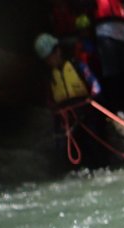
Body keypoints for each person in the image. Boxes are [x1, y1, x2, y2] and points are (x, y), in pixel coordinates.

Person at [34, 32, 110, 169]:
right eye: (46, 59)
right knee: (64, 147)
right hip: (66, 118)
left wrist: (93, 97)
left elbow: (95, 85)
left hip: (86, 111)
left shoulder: (77, 65)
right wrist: (55, 109)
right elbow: (49, 100)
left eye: (50, 56)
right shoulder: (49, 77)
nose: (50, 61)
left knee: (93, 141)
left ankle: (100, 165)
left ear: (58, 51)